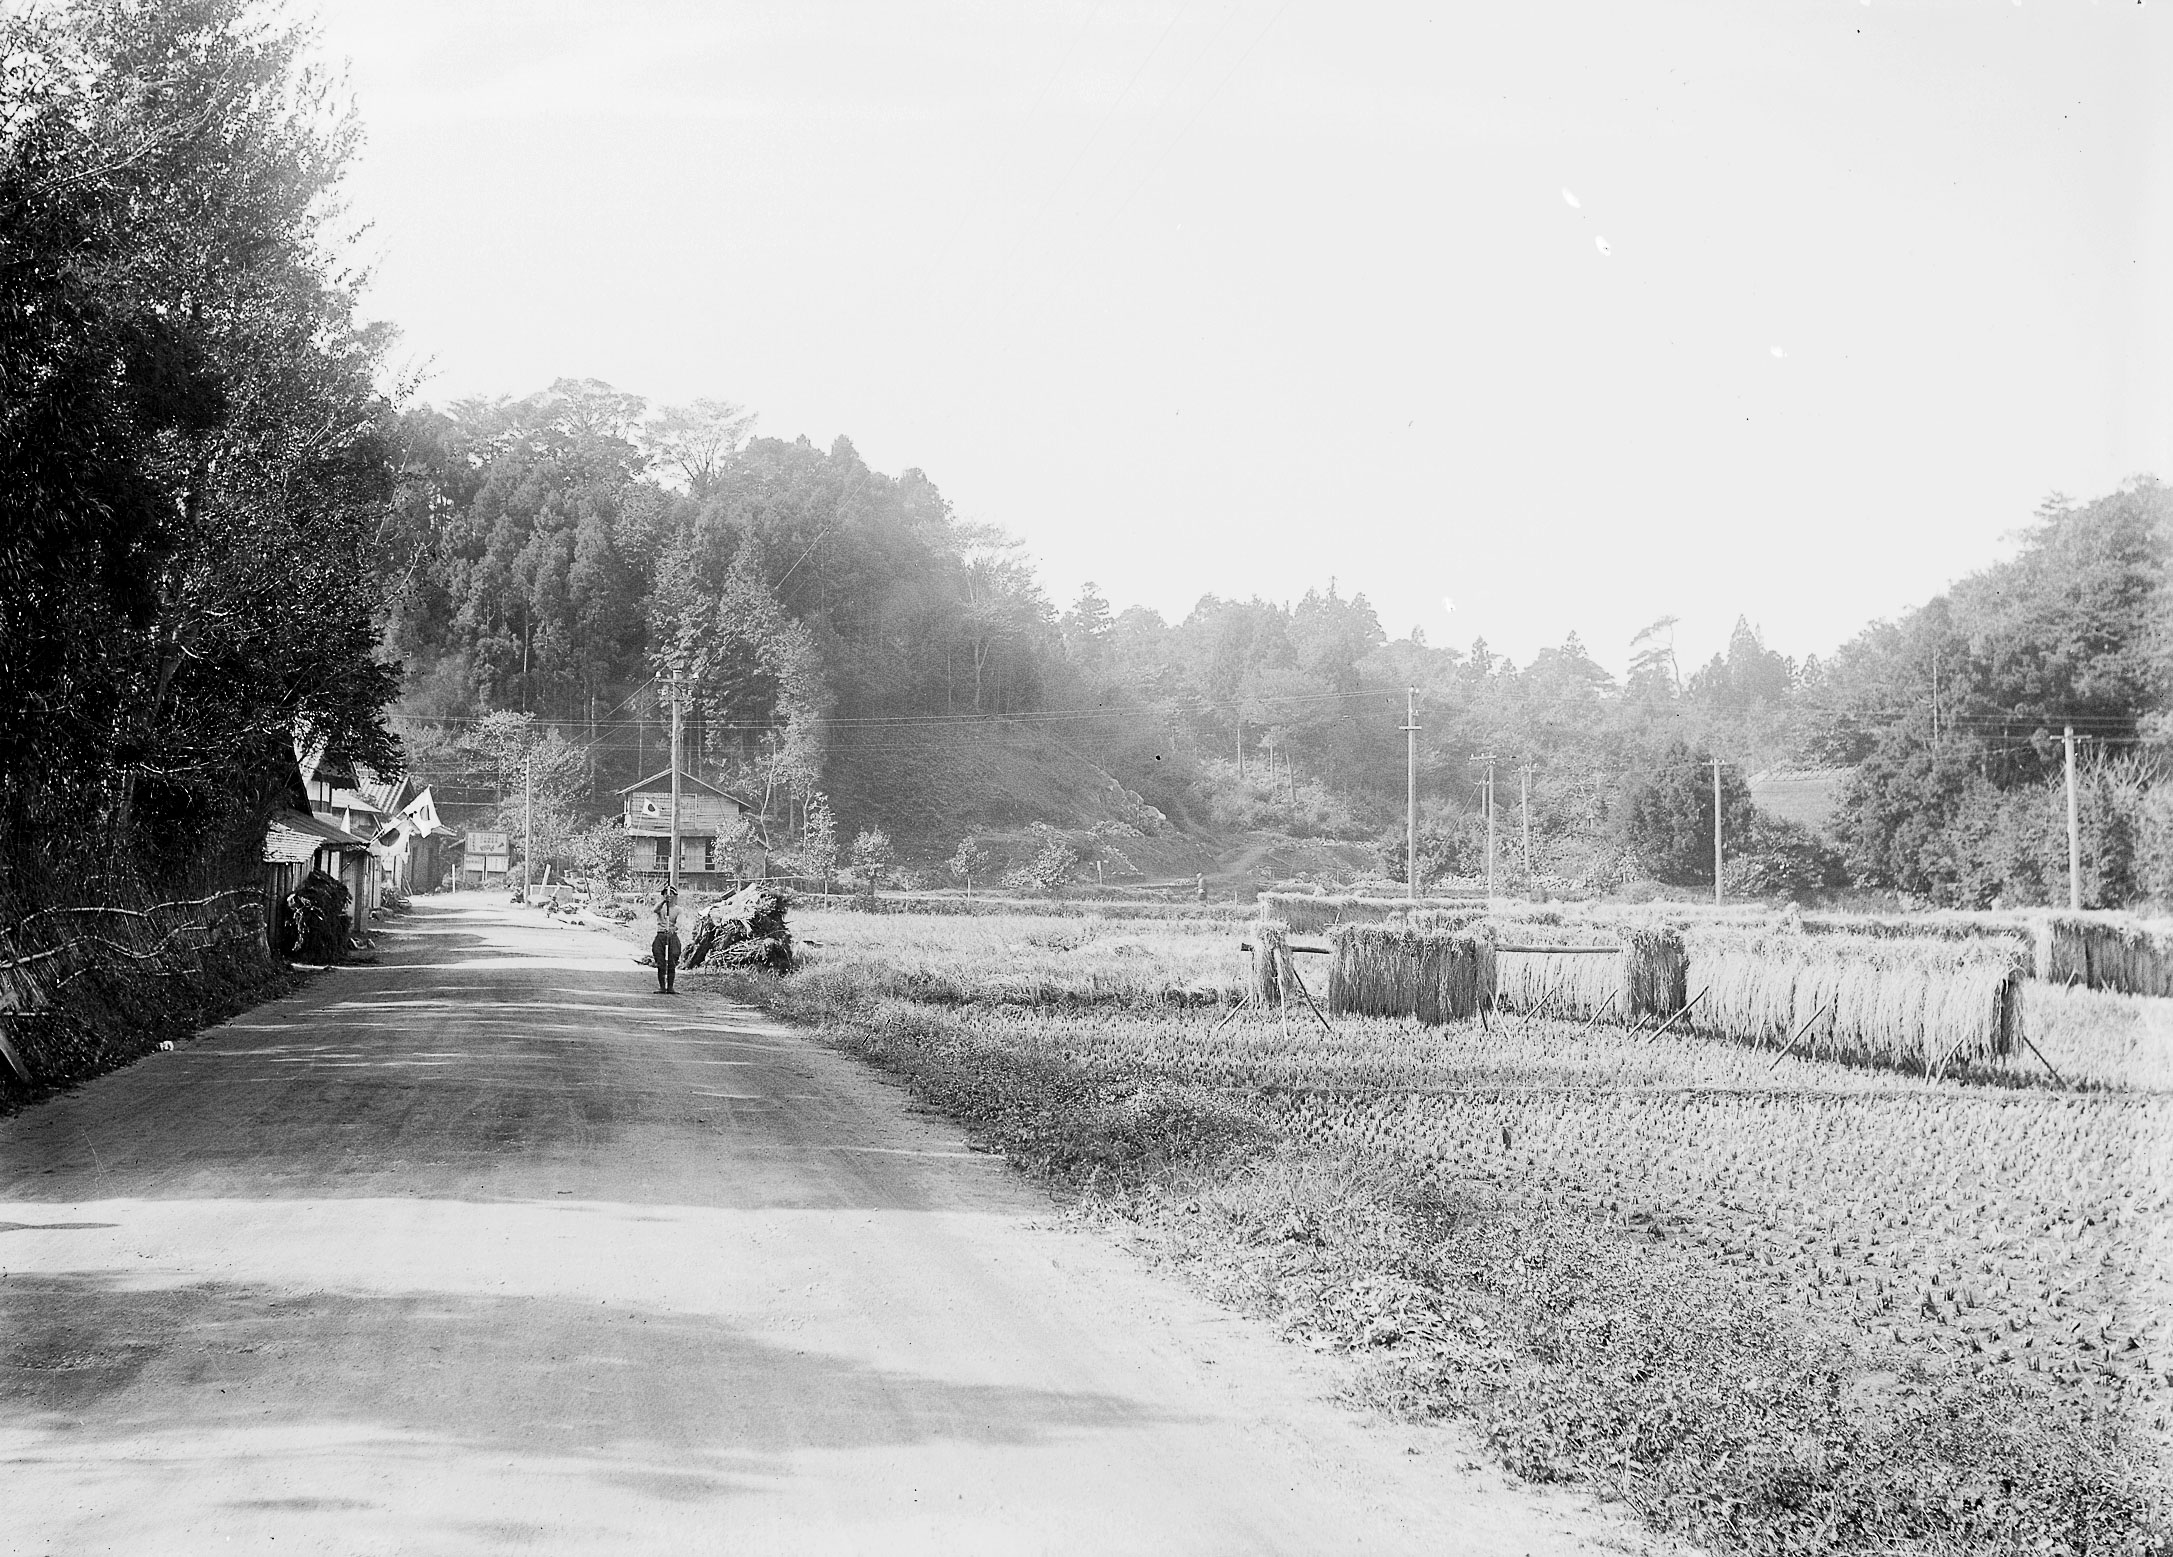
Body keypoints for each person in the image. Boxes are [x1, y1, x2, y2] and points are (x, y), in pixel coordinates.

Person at [651, 884, 683, 994]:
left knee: (672, 961)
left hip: (672, 937)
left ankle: (670, 987)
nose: (668, 896)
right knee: (660, 962)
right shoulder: (661, 908)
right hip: (661, 936)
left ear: (675, 896)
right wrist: (664, 901)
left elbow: (679, 924)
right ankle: (661, 987)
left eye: (670, 894)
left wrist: (672, 930)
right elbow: (655, 910)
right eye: (665, 894)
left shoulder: (678, 910)